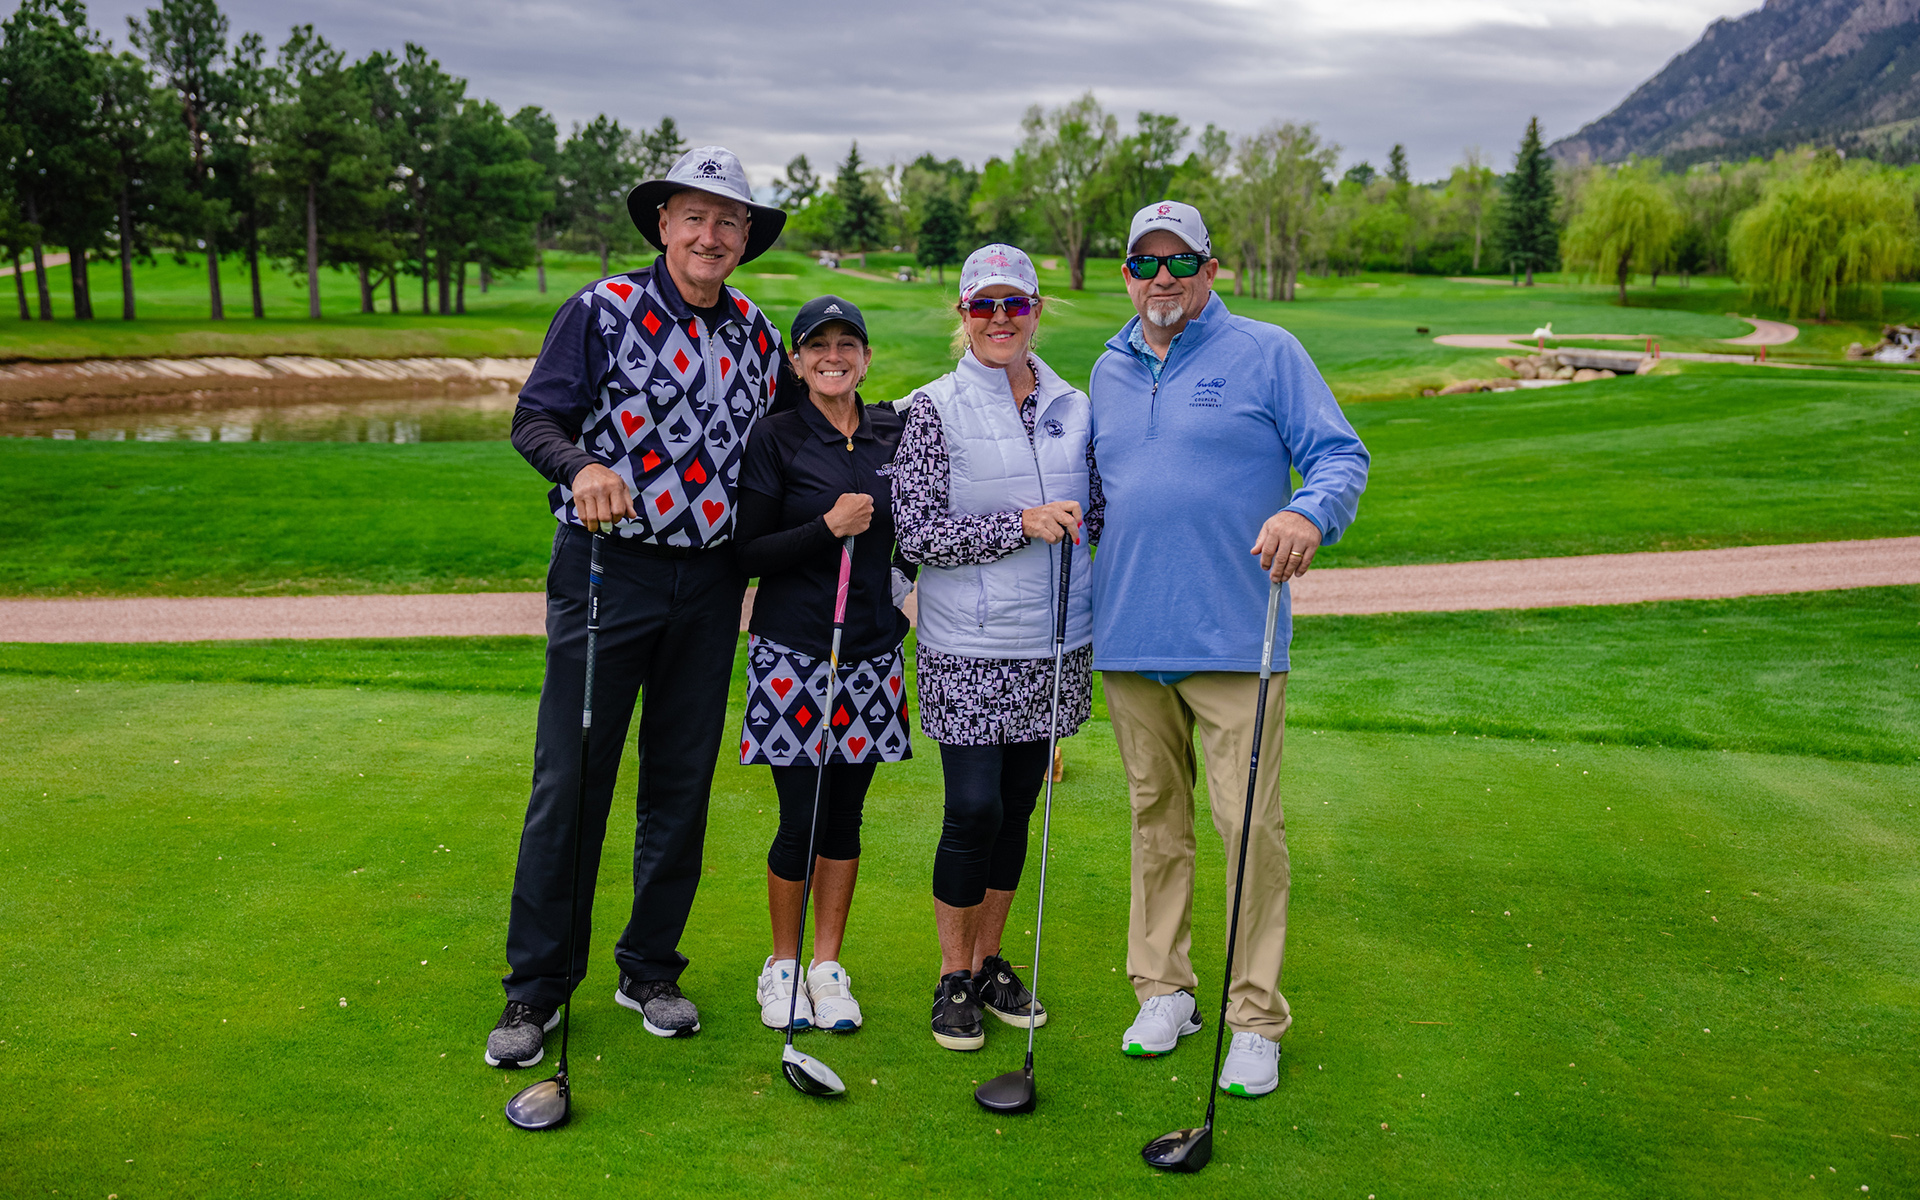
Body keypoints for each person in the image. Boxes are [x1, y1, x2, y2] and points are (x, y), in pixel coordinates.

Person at [486, 146, 799, 1069]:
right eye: (693, 216)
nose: (711, 235)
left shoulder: (757, 333)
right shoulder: (602, 309)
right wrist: (582, 465)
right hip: (606, 570)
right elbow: (535, 419)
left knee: (680, 782)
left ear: (745, 238)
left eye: (728, 220)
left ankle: (649, 969)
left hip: (710, 582)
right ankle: (537, 987)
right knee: (572, 779)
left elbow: (799, 436)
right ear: (664, 224)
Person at [1089, 201, 1369, 1097]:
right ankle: (1164, 989)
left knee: (1247, 827)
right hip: (1130, 635)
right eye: (1145, 262)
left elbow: (1341, 457)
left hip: (1236, 638)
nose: (1162, 278)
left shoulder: (1267, 351)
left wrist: (1307, 512)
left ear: (1211, 269)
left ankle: (1254, 1017)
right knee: (1154, 821)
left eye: (1181, 261)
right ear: (1126, 274)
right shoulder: (1107, 368)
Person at [891, 244, 1100, 1051]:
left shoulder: (1076, 407)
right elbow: (917, 533)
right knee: (973, 809)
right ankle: (951, 974)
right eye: (985, 305)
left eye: (1016, 304)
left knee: (1016, 809)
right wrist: (1019, 523)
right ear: (965, 315)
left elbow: (1102, 509)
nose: (1001, 319)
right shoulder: (932, 409)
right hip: (967, 644)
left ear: (1037, 311)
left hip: (1054, 641)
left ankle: (987, 964)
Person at [734, 295, 914, 1033]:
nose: (833, 356)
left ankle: (827, 965)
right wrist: (826, 526)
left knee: (845, 817)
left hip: (871, 651)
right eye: (817, 345)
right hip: (795, 653)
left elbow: (917, 527)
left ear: (866, 358)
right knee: (801, 816)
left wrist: (901, 587)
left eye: (847, 344)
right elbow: (746, 553)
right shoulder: (776, 436)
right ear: (798, 360)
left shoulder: (893, 431)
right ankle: (782, 965)